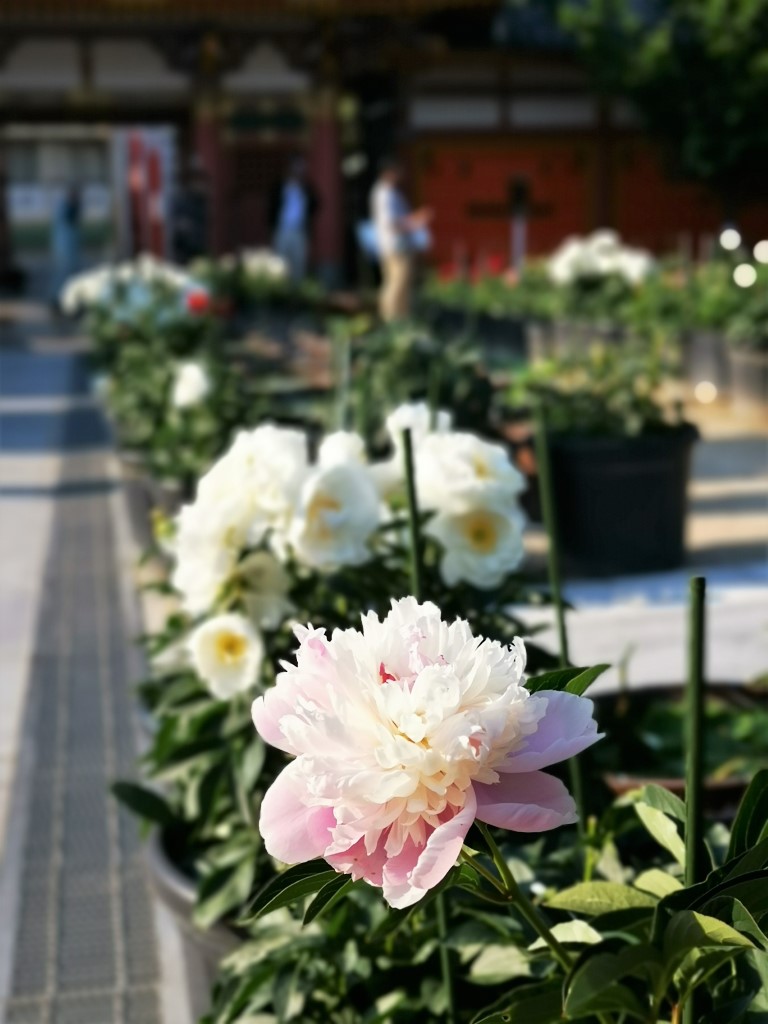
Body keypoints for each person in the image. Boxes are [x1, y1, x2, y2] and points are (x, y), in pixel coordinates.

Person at [370, 158, 431, 322]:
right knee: (397, 284)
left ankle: (400, 319)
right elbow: (393, 224)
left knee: (400, 285)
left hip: (397, 244)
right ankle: (390, 319)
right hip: (395, 245)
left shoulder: (390, 193)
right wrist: (416, 221)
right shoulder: (385, 194)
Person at [268, 157, 318, 281]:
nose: (296, 173)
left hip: (299, 231)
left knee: (299, 264)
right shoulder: (280, 187)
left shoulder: (306, 188)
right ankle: (280, 291)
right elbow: (271, 207)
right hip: (282, 230)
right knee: (279, 264)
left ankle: (297, 294)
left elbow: (316, 204)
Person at [51, 184, 81, 306]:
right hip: (65, 244)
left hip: (69, 244)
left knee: (70, 271)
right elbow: (68, 221)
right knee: (63, 271)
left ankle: (67, 298)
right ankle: (57, 298)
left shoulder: (70, 205)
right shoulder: (65, 206)